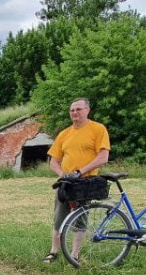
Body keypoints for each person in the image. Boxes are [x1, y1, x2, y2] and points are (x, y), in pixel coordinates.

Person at [44, 98, 110, 264]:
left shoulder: (98, 129)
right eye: (72, 110)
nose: (75, 112)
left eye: (79, 109)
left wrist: (80, 172)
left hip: (85, 182)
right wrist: (63, 175)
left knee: (80, 218)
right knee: (59, 218)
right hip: (66, 183)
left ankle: (74, 254)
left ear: (87, 110)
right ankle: (53, 252)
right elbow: (53, 161)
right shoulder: (64, 133)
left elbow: (103, 157)